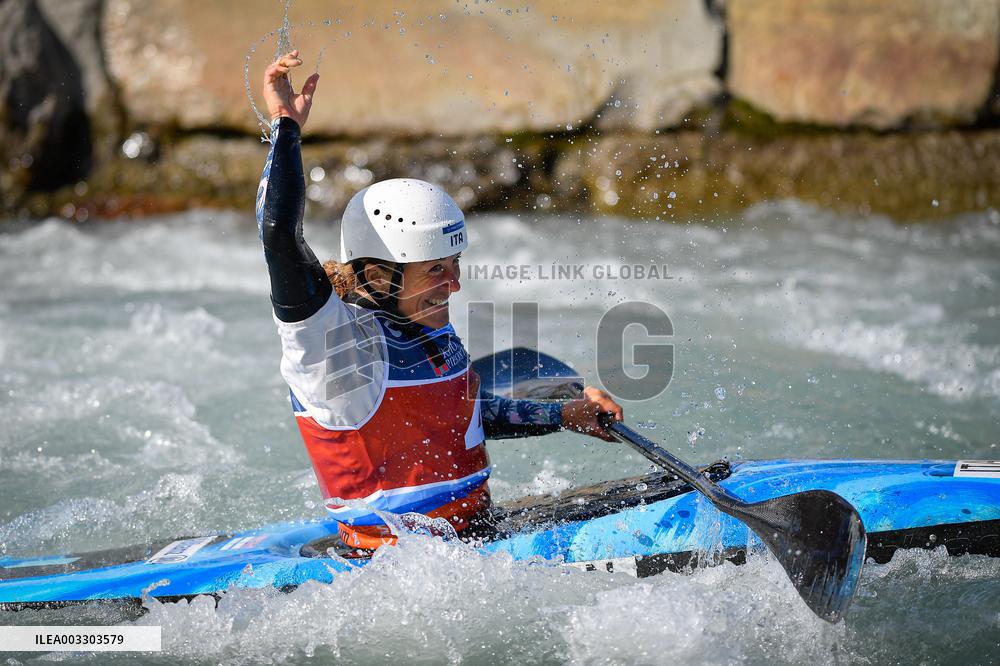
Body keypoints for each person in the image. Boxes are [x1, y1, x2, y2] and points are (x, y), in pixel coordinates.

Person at [257, 51, 623, 550]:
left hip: (479, 539)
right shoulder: (331, 345)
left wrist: (564, 416)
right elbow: (279, 235)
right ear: (380, 273)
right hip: (395, 578)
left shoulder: (424, 326)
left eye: (454, 266)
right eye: (435, 270)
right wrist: (286, 127)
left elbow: (463, 415)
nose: (454, 286)